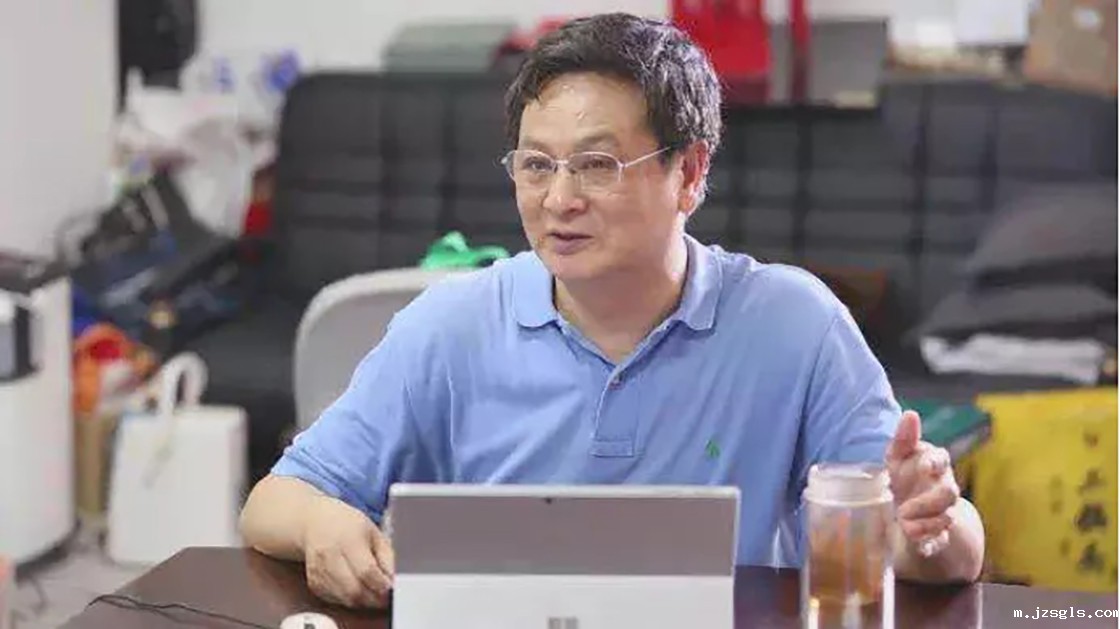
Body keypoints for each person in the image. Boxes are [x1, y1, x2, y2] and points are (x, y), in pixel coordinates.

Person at [239, 13, 985, 609]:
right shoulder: (449, 327)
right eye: (536, 165)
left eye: (597, 165)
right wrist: (322, 520)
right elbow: (274, 501)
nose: (559, 199)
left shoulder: (795, 325)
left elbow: (942, 551)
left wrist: (931, 526)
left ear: (689, 173)